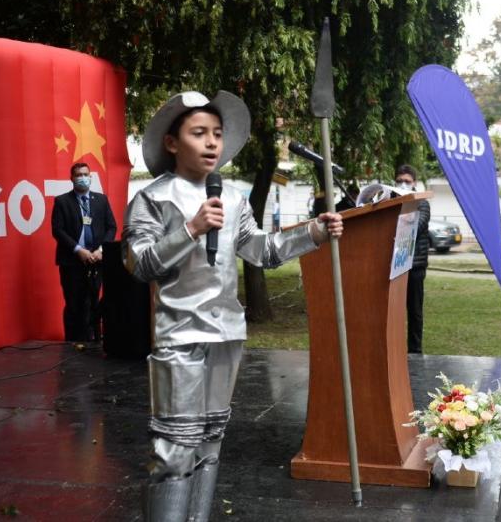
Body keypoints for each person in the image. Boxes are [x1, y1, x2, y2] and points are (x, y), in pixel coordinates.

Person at [123, 91, 343, 521]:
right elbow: (138, 264)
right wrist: (191, 228)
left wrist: (313, 233)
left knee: (209, 442)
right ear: (172, 143)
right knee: (174, 449)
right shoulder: (153, 199)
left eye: (217, 135)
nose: (211, 143)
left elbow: (261, 250)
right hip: (180, 337)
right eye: (199, 133)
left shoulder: (235, 199)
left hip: (226, 335)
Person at [51, 162, 116, 342]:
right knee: (74, 304)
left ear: (91, 177)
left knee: (95, 303)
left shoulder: (101, 200)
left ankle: (95, 341)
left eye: (85, 174)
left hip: (96, 260)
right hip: (72, 261)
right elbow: (57, 230)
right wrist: (78, 250)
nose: (82, 178)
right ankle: (73, 343)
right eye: (78, 175)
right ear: (71, 178)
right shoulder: (62, 201)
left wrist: (101, 250)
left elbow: (112, 227)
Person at [394, 164, 430, 354]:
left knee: (414, 310)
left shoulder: (421, 202)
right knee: (395, 311)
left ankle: (415, 350)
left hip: (415, 266)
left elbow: (419, 224)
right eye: (399, 181)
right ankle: (396, 348)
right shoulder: (391, 200)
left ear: (414, 182)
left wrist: (400, 220)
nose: (403, 184)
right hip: (396, 265)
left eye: (407, 181)